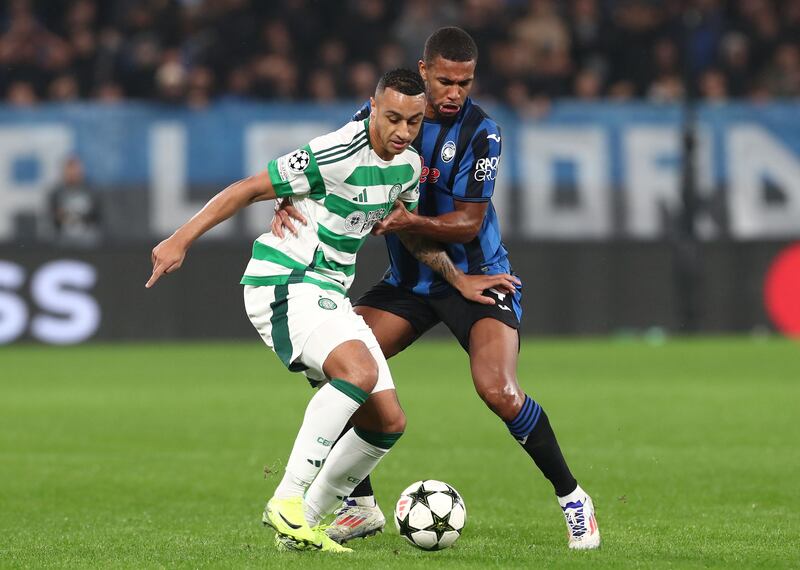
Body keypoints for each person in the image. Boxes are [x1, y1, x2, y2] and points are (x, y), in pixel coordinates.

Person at [146, 68, 517, 554]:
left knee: (388, 422)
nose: (401, 132)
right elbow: (247, 188)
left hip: (329, 292)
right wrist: (180, 239)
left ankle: (307, 525)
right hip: (286, 280)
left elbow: (405, 230)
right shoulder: (335, 151)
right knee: (357, 372)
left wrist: (458, 278)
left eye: (412, 121)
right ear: (372, 107)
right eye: (391, 119)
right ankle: (288, 499)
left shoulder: (406, 167)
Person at [273, 28, 601, 550]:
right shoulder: (383, 113)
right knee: (333, 367)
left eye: (464, 82)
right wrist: (285, 198)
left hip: (473, 280)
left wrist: (404, 219)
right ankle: (359, 506)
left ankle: (572, 498)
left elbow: (468, 223)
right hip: (408, 282)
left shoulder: (481, 133)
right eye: (445, 81)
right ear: (423, 73)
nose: (454, 92)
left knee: (498, 390)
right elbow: (325, 162)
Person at [49, 156, 102, 247]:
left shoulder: (91, 190)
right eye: (69, 170)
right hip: (64, 237)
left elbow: (98, 215)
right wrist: (59, 216)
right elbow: (51, 217)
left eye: (75, 170)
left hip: (87, 236)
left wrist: (82, 216)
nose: (72, 174)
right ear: (64, 172)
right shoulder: (57, 192)